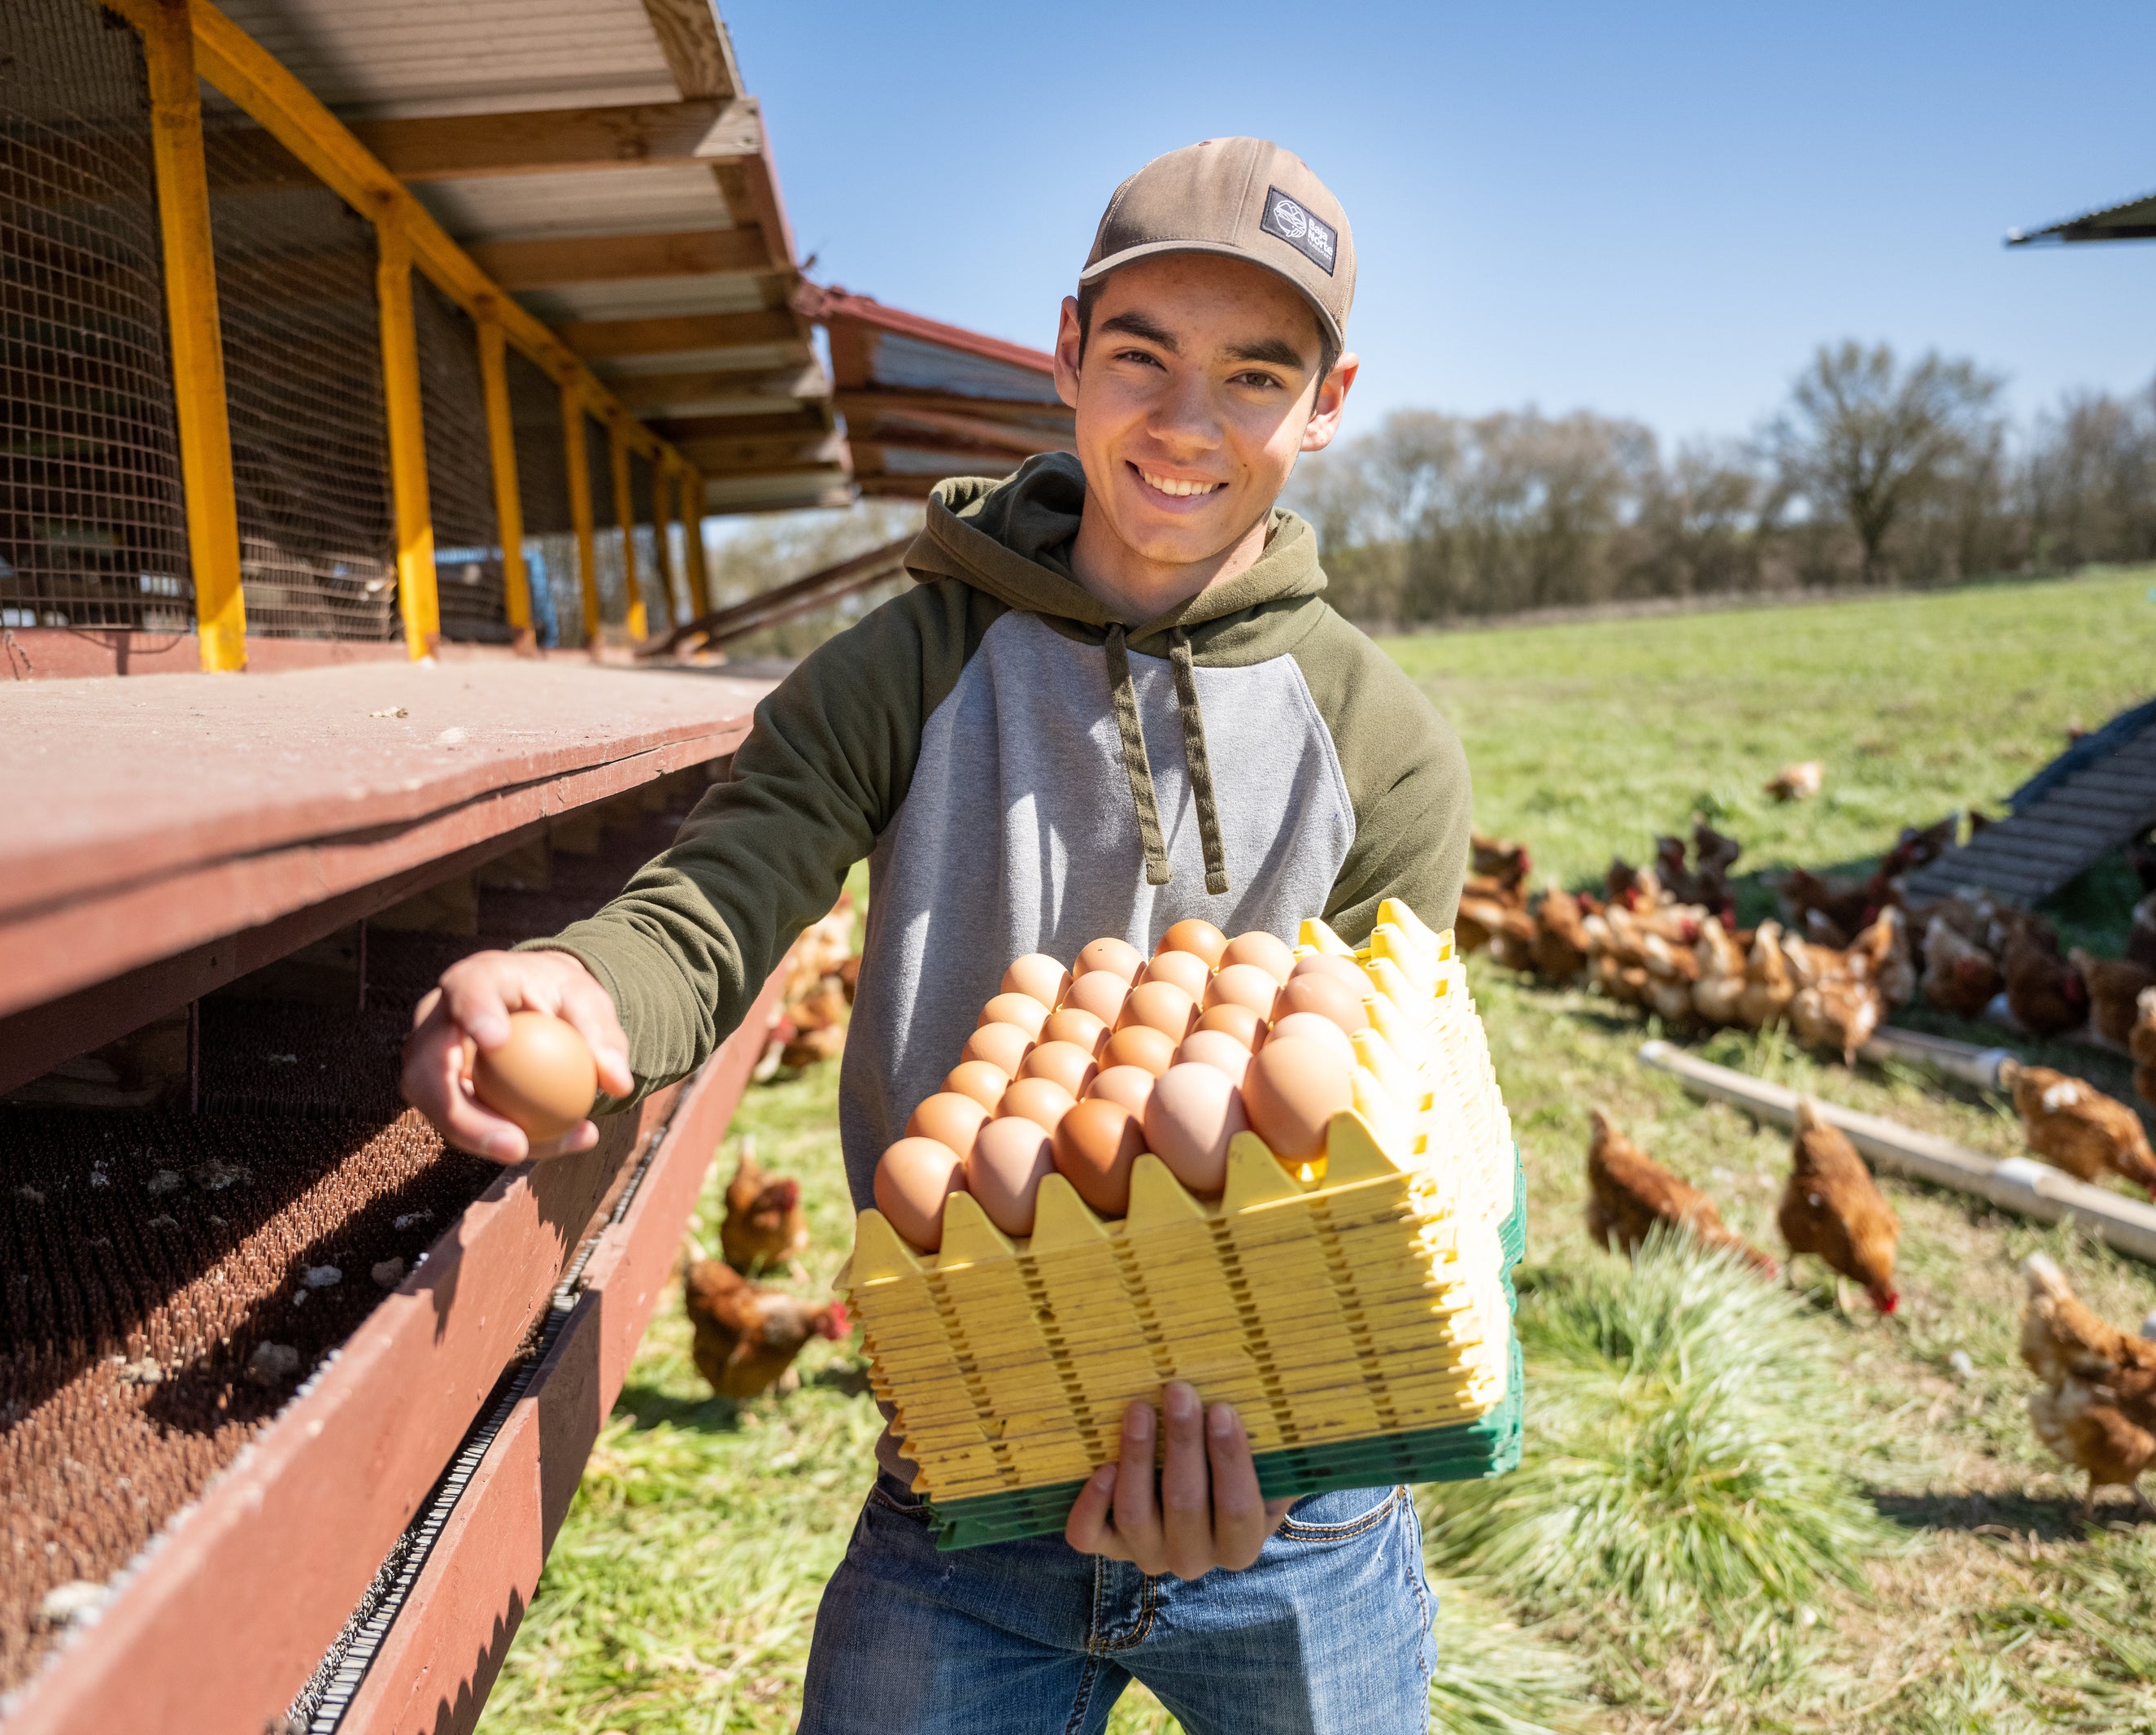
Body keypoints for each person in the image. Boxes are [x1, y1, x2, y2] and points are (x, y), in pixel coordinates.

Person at [402, 137, 1470, 1733]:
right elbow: (723, 888)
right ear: (1063, 351)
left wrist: (1297, 1436)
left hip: (1283, 1500)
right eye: (1141, 358)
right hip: (970, 1461)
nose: (1187, 423)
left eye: (1254, 375)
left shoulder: (1383, 743)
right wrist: (581, 985)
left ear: (1327, 402)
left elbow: (1381, 1139)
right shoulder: (910, 662)